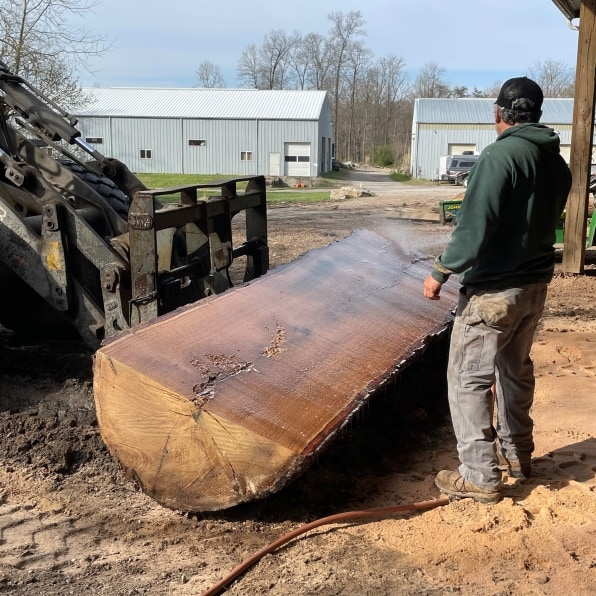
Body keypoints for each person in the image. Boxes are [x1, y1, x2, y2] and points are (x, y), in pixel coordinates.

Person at [423, 77, 571, 504]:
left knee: (467, 379)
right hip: (534, 285)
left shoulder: (498, 156)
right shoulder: (555, 162)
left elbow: (474, 226)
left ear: (498, 113)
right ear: (537, 113)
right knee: (514, 371)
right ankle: (519, 457)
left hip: (494, 291)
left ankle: (479, 477)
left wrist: (440, 271)